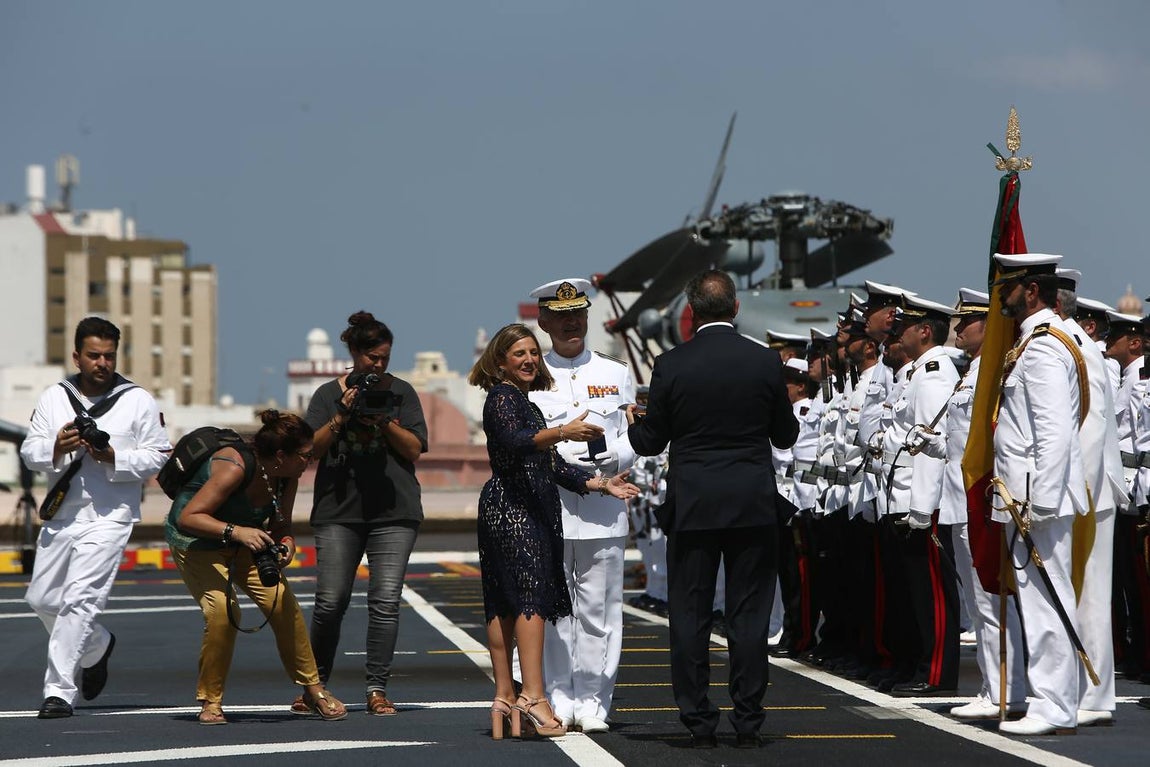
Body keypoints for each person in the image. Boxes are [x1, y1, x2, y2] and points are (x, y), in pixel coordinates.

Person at [628, 269, 798, 749]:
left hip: (695, 504)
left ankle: (699, 720)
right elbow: (785, 435)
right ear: (736, 308)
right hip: (751, 503)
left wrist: (634, 423)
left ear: (692, 312)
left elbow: (649, 441)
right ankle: (748, 718)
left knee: (690, 615)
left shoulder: (671, 364)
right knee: (748, 617)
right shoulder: (765, 362)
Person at [467, 323, 639, 740]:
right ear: (500, 361)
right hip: (515, 508)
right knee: (529, 600)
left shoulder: (522, 400)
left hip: (520, 505)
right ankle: (534, 697)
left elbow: (550, 464)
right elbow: (517, 442)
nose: (528, 360)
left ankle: (505, 696)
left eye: (532, 353)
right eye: (518, 354)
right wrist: (564, 431)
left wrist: (598, 483)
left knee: (507, 602)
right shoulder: (503, 398)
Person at [22, 317, 171, 719]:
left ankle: (58, 692)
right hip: (62, 514)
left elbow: (159, 454)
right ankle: (97, 646)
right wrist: (56, 445)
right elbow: (30, 451)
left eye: (109, 355)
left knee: (79, 601)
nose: (102, 363)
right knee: (39, 598)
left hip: (111, 515)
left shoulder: (137, 400)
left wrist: (113, 457)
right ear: (77, 356)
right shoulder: (55, 397)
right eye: (93, 355)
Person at [165, 410, 346, 725]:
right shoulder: (234, 467)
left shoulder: (286, 475)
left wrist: (286, 543)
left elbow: (281, 523)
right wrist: (237, 532)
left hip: (244, 541)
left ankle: (313, 689)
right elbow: (189, 517)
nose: (310, 461)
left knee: (282, 604)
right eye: (305, 456)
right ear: (281, 455)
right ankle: (211, 700)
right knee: (222, 611)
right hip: (196, 541)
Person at [300, 311, 428, 716]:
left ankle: (377, 689)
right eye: (372, 357)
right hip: (338, 511)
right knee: (330, 602)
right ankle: (314, 686)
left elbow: (413, 449)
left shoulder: (402, 393)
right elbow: (310, 450)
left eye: (385, 358)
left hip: (395, 511)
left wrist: (383, 421)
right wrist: (342, 415)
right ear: (354, 352)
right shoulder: (325, 396)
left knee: (385, 601)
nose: (378, 365)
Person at [527, 277, 637, 733]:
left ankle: (594, 700)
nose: (572, 324)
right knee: (555, 608)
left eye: (579, 315)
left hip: (603, 506)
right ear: (544, 320)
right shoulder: (531, 374)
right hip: (549, 505)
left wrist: (618, 457)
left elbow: (635, 434)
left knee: (601, 610)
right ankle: (559, 695)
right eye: (562, 316)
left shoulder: (615, 371)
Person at [991, 253, 1088, 736]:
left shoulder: (1044, 346)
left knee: (1047, 599)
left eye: (1007, 286)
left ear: (1030, 290)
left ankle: (1054, 705)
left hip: (1036, 498)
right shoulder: (1034, 341)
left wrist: (1041, 501)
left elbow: (1054, 433)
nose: (999, 295)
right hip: (1027, 494)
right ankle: (1052, 699)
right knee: (1040, 598)